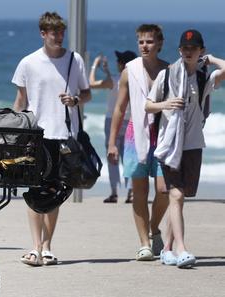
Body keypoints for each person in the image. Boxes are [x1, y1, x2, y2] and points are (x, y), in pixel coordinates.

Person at [12, 12, 91, 266]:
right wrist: (12, 130)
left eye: (61, 32)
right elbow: (21, 101)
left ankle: (47, 246)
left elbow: (87, 93)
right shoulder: (28, 62)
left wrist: (76, 100)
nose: (58, 37)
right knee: (35, 189)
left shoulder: (74, 60)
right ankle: (35, 246)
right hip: (37, 135)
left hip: (65, 135)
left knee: (56, 191)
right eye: (53, 32)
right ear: (43, 34)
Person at [145, 29, 225, 268]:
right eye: (185, 48)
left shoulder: (203, 78)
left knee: (179, 198)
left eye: (194, 48)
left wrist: (211, 60)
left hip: (192, 145)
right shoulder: (167, 75)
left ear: (200, 50)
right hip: (169, 144)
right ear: (179, 50)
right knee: (176, 195)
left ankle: (167, 249)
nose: (188, 52)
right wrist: (166, 104)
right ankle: (181, 248)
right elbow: (148, 106)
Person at [107, 24, 169, 260]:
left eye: (150, 41)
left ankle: (154, 228)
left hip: (163, 134)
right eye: (141, 42)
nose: (145, 45)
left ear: (160, 44)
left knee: (163, 189)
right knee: (139, 189)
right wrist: (113, 142)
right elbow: (120, 109)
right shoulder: (129, 71)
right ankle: (144, 243)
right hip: (136, 133)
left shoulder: (169, 69)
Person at [89, 50, 137, 203]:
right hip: (131, 120)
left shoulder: (114, 80)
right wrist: (108, 71)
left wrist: (94, 66)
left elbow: (91, 83)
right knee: (129, 157)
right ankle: (131, 192)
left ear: (122, 64)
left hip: (112, 121)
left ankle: (114, 192)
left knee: (112, 158)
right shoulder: (137, 80)